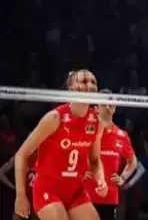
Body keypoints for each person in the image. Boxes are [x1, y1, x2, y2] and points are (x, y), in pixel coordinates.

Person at [14, 70, 108, 220]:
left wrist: (101, 180)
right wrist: (20, 195)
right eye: (84, 82)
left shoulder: (96, 121)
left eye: (93, 82)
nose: (90, 85)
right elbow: (21, 154)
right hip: (48, 189)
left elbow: (95, 160)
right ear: (71, 88)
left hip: (76, 191)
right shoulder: (54, 118)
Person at [84, 89, 143, 220]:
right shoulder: (86, 131)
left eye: (111, 102)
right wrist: (80, 171)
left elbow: (132, 161)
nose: (108, 105)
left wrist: (122, 178)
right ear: (96, 108)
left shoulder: (122, 135)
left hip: (109, 198)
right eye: (104, 102)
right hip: (86, 197)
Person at [0, 153, 38, 220]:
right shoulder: (19, 156)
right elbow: (1, 172)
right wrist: (12, 186)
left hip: (37, 198)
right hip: (23, 196)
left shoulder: (44, 156)